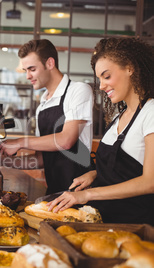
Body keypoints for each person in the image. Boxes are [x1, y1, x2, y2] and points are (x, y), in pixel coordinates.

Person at [47, 37, 154, 225]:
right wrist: (96, 174)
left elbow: (149, 182)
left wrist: (88, 194)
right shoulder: (118, 117)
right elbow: (125, 167)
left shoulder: (150, 112)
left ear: (130, 68)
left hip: (136, 227)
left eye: (106, 76)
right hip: (105, 221)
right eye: (99, 79)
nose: (102, 86)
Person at [0, 39, 94, 195]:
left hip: (80, 192)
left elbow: (66, 140)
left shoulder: (78, 90)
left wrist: (20, 142)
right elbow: (41, 160)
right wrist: (5, 161)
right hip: (54, 192)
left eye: (32, 69)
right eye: (25, 70)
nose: (27, 76)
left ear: (49, 63)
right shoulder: (42, 105)